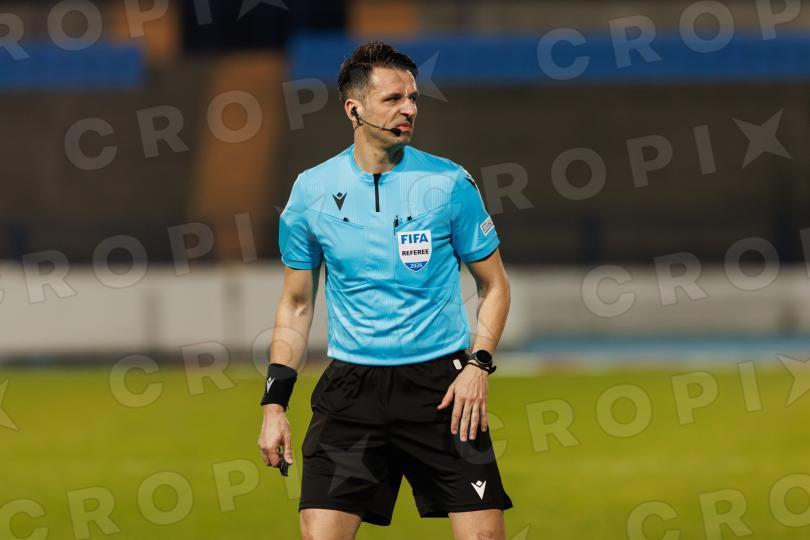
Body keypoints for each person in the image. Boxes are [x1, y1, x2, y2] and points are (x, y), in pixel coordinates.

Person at [258, 40, 513, 540]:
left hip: (442, 390)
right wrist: (274, 406)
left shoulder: (448, 183)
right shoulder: (311, 191)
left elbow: (496, 285)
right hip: (351, 392)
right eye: (393, 98)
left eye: (413, 98)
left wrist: (479, 365)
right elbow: (296, 304)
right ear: (354, 109)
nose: (409, 109)